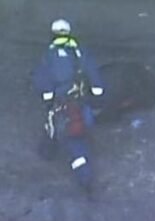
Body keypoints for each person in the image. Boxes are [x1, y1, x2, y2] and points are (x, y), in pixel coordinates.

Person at [31, 18, 105, 197]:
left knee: (72, 139)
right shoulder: (80, 51)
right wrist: (97, 91)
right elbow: (94, 74)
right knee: (82, 128)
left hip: (64, 104)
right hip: (80, 102)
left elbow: (43, 78)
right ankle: (84, 151)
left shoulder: (48, 55)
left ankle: (85, 178)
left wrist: (48, 98)